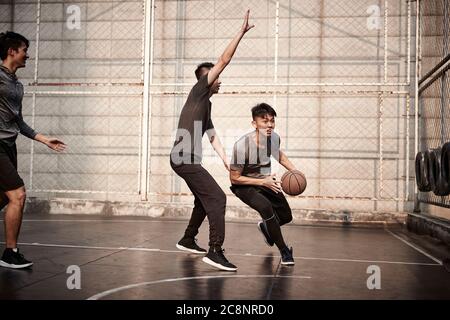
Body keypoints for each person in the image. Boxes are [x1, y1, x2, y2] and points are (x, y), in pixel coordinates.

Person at [170, 11, 254, 271]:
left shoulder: (204, 105)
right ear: (206, 80)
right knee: (217, 198)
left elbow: (213, 136)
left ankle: (187, 238)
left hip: (184, 159)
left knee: (203, 200)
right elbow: (224, 59)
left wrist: (228, 162)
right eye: (215, 76)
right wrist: (239, 33)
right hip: (183, 159)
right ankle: (215, 251)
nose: (219, 79)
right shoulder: (198, 91)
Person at [0, 31, 66, 269]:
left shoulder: (17, 85)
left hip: (9, 145)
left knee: (3, 199)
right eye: (24, 50)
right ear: (12, 52)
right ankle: (10, 252)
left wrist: (44, 139)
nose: (27, 55)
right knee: (18, 195)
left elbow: (19, 122)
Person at [229, 103, 297, 265]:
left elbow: (278, 155)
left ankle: (267, 228)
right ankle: (284, 251)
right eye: (264, 121)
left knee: (286, 216)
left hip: (264, 181)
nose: (270, 125)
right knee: (266, 208)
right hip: (243, 185)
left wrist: (295, 171)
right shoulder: (242, 146)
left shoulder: (273, 138)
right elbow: (234, 178)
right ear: (254, 124)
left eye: (272, 121)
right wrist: (263, 182)